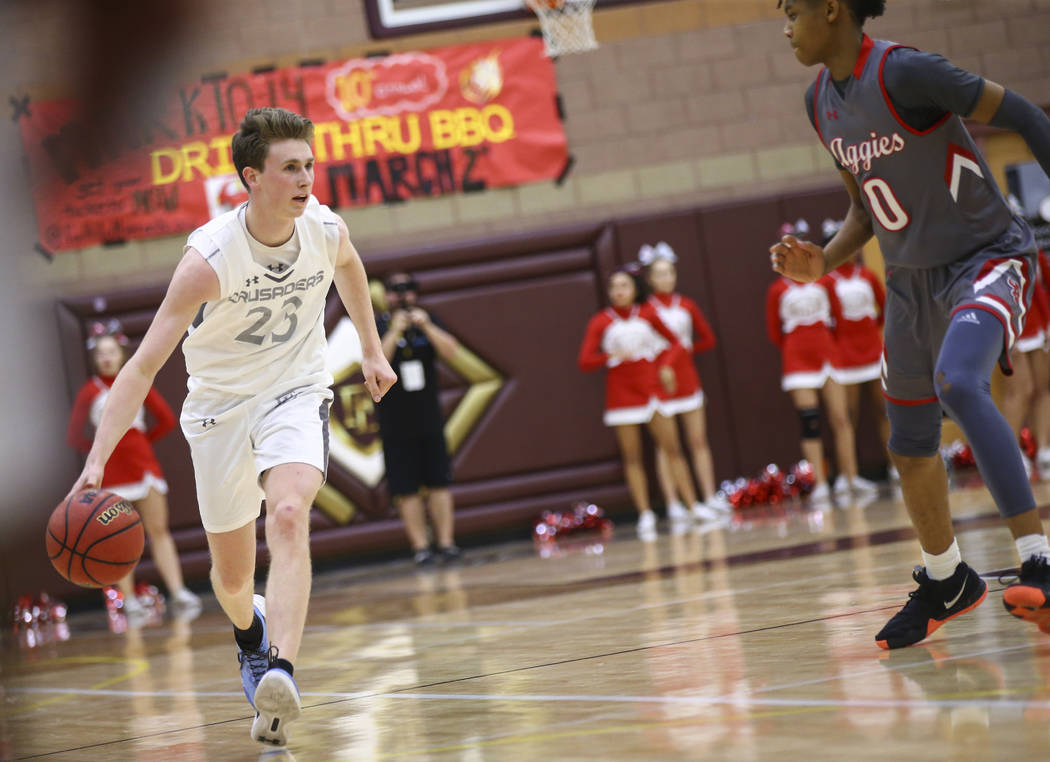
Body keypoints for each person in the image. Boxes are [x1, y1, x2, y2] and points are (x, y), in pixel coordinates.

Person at [65, 107, 397, 745]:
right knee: (233, 578)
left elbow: (352, 268)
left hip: (295, 390)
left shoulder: (325, 228)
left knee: (291, 514)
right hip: (217, 410)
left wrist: (371, 347)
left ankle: (283, 668)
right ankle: (250, 635)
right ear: (253, 177)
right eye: (290, 168)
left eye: (309, 165)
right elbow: (139, 369)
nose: (306, 179)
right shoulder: (208, 260)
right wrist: (97, 461)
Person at [772, 0, 1050, 649]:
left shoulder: (906, 72)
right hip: (907, 282)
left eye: (792, 12)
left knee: (960, 381)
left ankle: (1038, 554)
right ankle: (947, 578)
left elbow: (1026, 115)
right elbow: (864, 211)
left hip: (984, 257)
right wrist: (823, 263)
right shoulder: (819, 102)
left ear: (832, 11)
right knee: (910, 443)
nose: (785, 29)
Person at [66, 321, 201, 618]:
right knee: (118, 538)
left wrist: (140, 441)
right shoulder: (89, 392)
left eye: (111, 352)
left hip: (144, 468)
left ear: (121, 354)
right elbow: (74, 435)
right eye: (101, 353)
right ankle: (128, 600)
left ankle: (178, 591)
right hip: (111, 474)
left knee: (158, 530)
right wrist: (103, 450)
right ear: (94, 358)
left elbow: (166, 418)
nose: (106, 358)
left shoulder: (135, 381)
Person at [578, 266, 706, 539]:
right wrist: (610, 355)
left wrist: (665, 367)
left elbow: (676, 343)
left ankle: (693, 506)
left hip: (652, 390)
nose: (619, 291)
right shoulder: (601, 321)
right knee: (632, 457)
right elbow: (585, 361)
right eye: (614, 287)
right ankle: (645, 513)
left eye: (624, 286)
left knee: (672, 449)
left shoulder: (648, 314)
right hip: (622, 395)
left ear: (634, 289)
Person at [765, 219, 868, 505]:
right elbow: (775, 331)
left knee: (841, 417)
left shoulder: (825, 280)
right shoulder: (776, 290)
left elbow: (837, 317)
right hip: (798, 361)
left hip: (828, 357)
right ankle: (820, 483)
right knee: (810, 422)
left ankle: (851, 477)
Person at [376, 272, 462, 566]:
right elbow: (377, 363)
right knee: (406, 487)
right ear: (385, 294)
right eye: (395, 289)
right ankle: (421, 548)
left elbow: (452, 352)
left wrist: (426, 326)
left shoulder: (428, 321)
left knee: (439, 481)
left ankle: (447, 543)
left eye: (408, 288)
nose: (402, 295)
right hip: (394, 421)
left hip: (429, 417)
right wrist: (395, 332)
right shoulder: (379, 325)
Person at [640, 242, 729, 518]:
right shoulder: (644, 311)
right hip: (659, 381)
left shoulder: (687, 305)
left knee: (698, 440)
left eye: (670, 273)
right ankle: (673, 503)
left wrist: (684, 354)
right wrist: (662, 360)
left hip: (687, 378)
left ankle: (708, 495)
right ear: (650, 279)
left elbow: (707, 339)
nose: (666, 278)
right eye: (660, 274)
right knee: (666, 446)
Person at [822, 218, 890, 487]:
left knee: (885, 410)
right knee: (847, 417)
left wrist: (871, 331)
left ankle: (896, 467)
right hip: (844, 357)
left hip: (873, 351)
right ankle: (847, 476)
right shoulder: (826, 281)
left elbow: (885, 308)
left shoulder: (868, 275)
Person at [1000, 247, 1050, 476]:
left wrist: (1048, 325)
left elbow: (1041, 289)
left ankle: (1044, 450)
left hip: (1038, 327)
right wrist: (1006, 336)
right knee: (1020, 391)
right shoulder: (994, 257)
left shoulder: (1035, 253)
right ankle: (1010, 453)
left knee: (1042, 389)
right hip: (1013, 330)